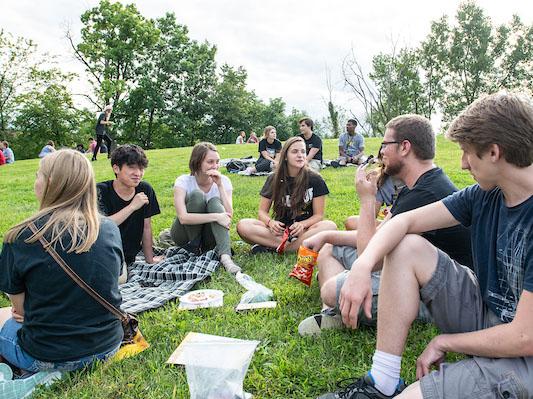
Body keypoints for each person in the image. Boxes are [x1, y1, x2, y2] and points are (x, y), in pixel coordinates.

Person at [317, 92, 533, 399]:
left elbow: (525, 337)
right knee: (407, 247)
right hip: (489, 316)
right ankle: (382, 381)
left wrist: (446, 342)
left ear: (494, 152)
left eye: (467, 152)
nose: (461, 164)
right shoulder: (484, 195)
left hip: (525, 354)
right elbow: (402, 224)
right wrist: (362, 267)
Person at [299, 114, 473, 336]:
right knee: (330, 249)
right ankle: (334, 314)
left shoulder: (425, 193)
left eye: (384, 145)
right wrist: (327, 236)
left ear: (404, 147)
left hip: (434, 295)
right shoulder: (417, 185)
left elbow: (368, 254)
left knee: (331, 290)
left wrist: (367, 200)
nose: (381, 152)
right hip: (405, 269)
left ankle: (338, 308)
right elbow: (379, 236)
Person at [0, 149, 123, 374]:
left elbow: (21, 312)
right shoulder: (108, 228)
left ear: (51, 183)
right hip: (108, 346)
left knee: (2, 315)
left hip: (47, 356)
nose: (35, 181)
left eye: (38, 174)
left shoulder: (20, 237)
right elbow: (114, 279)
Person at [237, 136, 337, 254]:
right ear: (285, 156)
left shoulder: (315, 179)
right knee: (243, 225)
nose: (300, 155)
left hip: (304, 231)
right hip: (279, 232)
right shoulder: (274, 178)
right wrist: (271, 222)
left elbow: (318, 216)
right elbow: (262, 213)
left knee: (330, 226)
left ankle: (280, 247)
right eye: (295, 152)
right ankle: (294, 246)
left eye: (303, 151)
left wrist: (302, 224)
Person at [170, 142, 242, 274]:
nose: (215, 166)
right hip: (184, 235)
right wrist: (216, 216)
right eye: (210, 162)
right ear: (197, 162)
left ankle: (226, 258)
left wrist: (220, 185)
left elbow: (229, 214)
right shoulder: (183, 181)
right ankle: (195, 248)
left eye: (217, 162)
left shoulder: (224, 181)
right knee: (197, 195)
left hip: (209, 236)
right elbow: (183, 218)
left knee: (215, 202)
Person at [97, 144, 162, 266]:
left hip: (131, 256)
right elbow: (98, 226)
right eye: (132, 167)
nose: (138, 173)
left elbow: (146, 227)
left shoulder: (145, 189)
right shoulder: (101, 191)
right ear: (116, 169)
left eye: (141, 168)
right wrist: (132, 206)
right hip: (105, 254)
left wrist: (150, 259)